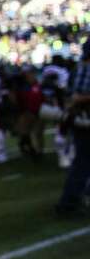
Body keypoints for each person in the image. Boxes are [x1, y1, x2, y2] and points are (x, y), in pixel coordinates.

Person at [56, 44, 90, 216]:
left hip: (78, 120)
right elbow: (76, 97)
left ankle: (72, 199)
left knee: (81, 162)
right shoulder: (84, 71)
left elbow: (69, 97)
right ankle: (70, 201)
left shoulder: (77, 70)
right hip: (85, 118)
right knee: (82, 163)